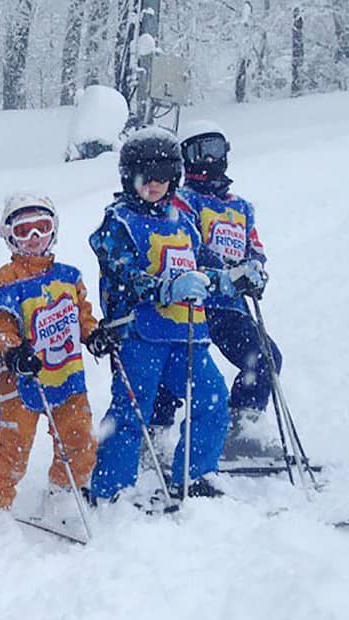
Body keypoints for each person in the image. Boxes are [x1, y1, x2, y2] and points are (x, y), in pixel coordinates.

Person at [87, 126, 241, 504]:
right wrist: (162, 287)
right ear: (129, 177)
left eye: (162, 179)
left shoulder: (183, 222)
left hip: (188, 333)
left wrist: (236, 278)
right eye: (144, 178)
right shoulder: (118, 222)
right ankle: (111, 487)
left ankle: (196, 472)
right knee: (131, 410)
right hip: (140, 334)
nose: (153, 186)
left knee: (212, 398)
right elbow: (121, 273)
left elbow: (205, 266)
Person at [0, 193, 105, 536]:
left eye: (41, 228)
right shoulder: (8, 277)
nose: (33, 239)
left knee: (80, 437)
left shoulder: (68, 276)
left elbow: (82, 315)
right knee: (14, 445)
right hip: (21, 378)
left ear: (54, 231)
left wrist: (93, 335)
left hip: (65, 372)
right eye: (24, 230)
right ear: (9, 235)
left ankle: (63, 494)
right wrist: (13, 351)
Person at [146, 121, 277, 461]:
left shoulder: (240, 208)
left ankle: (242, 424)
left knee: (265, 357)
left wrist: (255, 271)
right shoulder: (184, 201)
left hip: (231, 308)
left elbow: (254, 247)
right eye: (197, 152)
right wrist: (224, 272)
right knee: (175, 368)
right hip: (195, 305)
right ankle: (155, 433)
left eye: (214, 150)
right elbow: (191, 245)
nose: (206, 160)